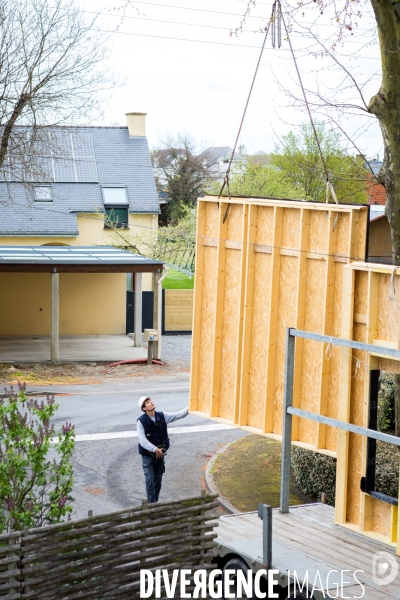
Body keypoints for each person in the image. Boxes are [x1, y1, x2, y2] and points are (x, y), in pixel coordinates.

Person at [137, 396, 188, 503]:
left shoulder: (162, 416)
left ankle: (153, 505)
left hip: (160, 456)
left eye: (150, 400)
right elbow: (142, 440)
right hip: (148, 457)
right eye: (147, 402)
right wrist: (155, 449)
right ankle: (152, 508)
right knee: (150, 482)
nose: (151, 402)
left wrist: (192, 407)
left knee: (158, 483)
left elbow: (178, 415)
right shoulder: (141, 422)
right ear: (144, 408)